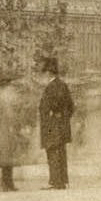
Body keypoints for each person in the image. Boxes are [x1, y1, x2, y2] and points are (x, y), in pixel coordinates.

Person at [38, 57, 74, 190]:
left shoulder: (51, 87)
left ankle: (55, 182)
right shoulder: (63, 85)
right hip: (62, 126)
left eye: (45, 73)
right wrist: (64, 119)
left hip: (51, 126)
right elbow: (71, 106)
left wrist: (54, 115)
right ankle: (63, 181)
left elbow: (50, 106)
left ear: (48, 73)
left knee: (53, 153)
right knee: (61, 153)